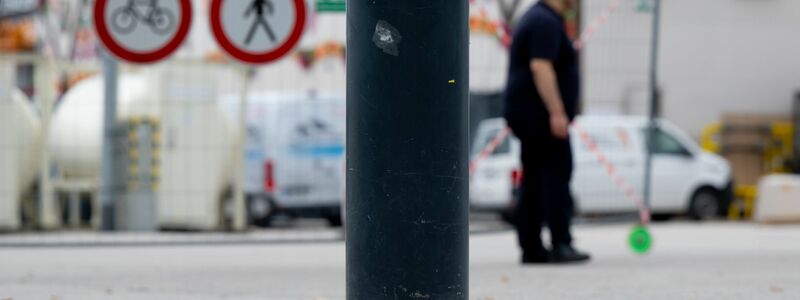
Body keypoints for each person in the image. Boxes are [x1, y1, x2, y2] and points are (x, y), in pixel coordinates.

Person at [503, 0, 591, 264]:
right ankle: (560, 242)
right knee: (557, 173)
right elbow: (541, 66)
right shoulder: (545, 21)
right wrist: (557, 112)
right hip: (540, 116)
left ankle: (531, 246)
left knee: (533, 181)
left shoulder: (536, 17)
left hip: (529, 114)